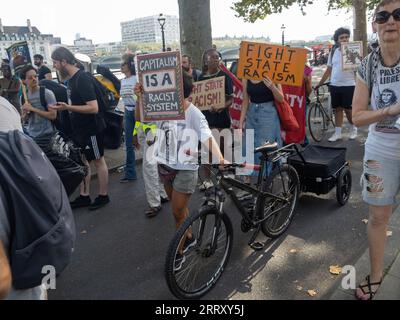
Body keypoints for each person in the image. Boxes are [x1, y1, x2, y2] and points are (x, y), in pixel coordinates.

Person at [135, 71, 225, 270]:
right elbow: (140, 119)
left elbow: (207, 136)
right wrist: (139, 98)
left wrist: (220, 157)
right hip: (165, 166)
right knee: (180, 211)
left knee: (176, 211)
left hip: (185, 168)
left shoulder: (194, 113)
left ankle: (180, 251)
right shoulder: (161, 108)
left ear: (185, 94)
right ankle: (190, 236)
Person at [352, 0, 400, 300]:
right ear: (374, 25)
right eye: (382, 16)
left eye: (398, 15)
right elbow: (357, 116)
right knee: (378, 216)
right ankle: (376, 275)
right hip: (379, 151)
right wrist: (390, 110)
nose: (390, 21)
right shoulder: (367, 65)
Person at [51, 47, 110, 211]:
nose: (54, 66)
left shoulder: (82, 78)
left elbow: (93, 108)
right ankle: (84, 196)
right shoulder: (72, 79)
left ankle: (104, 196)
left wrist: (68, 107)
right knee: (84, 162)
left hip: (92, 129)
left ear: (64, 61)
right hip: (81, 130)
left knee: (98, 161)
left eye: (55, 62)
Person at [198, 48, 234, 190]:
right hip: (206, 119)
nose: (216, 59)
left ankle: (225, 174)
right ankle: (207, 179)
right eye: (212, 58)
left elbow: (231, 99)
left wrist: (222, 106)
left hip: (221, 118)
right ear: (206, 61)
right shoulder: (200, 79)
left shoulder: (226, 76)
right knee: (207, 148)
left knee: (223, 147)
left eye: (217, 57)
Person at [318, 27, 358, 142]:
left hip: (349, 84)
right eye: (342, 37)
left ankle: (353, 128)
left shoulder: (353, 50)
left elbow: (358, 70)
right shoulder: (334, 51)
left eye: (346, 37)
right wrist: (320, 83)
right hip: (335, 84)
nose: (345, 39)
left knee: (348, 109)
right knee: (337, 109)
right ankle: (337, 133)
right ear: (337, 40)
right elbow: (329, 69)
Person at [239, 76, 284, 172]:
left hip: (268, 114)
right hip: (252, 114)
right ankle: (248, 176)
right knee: (247, 145)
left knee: (264, 148)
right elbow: (245, 101)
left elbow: (281, 98)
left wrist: (272, 87)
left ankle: (265, 178)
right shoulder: (246, 76)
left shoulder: (273, 73)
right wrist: (240, 123)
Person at [133, 121, 169, 217]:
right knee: (156, 163)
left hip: (150, 126)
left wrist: (135, 132)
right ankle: (161, 194)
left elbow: (139, 112)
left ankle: (155, 203)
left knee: (149, 167)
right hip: (150, 126)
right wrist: (136, 131)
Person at [19, 65, 57, 139]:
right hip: (32, 135)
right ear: (23, 81)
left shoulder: (47, 93)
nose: (34, 79)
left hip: (48, 135)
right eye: (30, 78)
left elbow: (53, 116)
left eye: (35, 76)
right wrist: (25, 113)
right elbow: (25, 119)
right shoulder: (23, 97)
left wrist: (33, 109)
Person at [119, 53, 138, 183]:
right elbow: (124, 99)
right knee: (129, 144)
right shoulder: (123, 81)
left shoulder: (137, 79)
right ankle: (130, 173)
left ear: (130, 65)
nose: (121, 66)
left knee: (147, 141)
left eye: (123, 64)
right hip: (127, 112)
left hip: (138, 113)